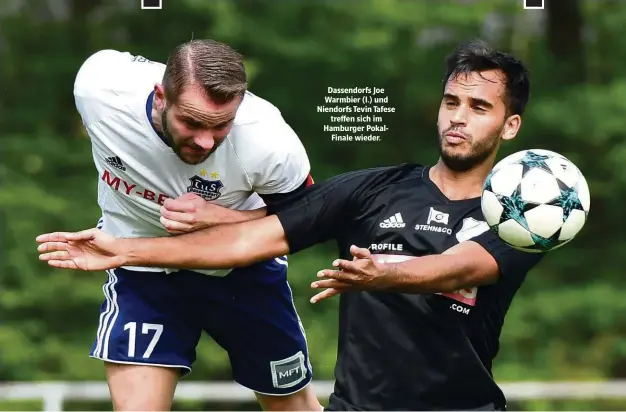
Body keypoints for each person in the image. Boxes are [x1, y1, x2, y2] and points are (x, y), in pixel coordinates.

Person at [39, 40, 544, 410]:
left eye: (479, 107)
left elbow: (458, 268)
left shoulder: (527, 211)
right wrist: (126, 251)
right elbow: (251, 239)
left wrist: (385, 275)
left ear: (510, 124)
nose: (458, 117)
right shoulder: (369, 191)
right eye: (451, 102)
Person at [64, 39, 321, 411]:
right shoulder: (100, 89)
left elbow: (308, 219)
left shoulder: (268, 141)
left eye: (221, 126)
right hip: (142, 267)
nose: (204, 140)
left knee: (294, 408)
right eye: (192, 122)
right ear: (161, 95)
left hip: (242, 271)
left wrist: (223, 218)